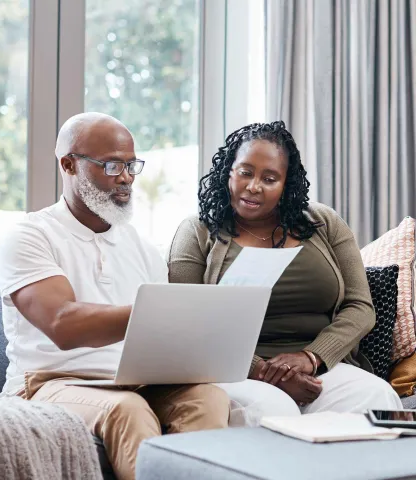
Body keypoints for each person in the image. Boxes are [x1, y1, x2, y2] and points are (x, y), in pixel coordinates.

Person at [0, 113, 230, 480]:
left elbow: (161, 339)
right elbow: (63, 323)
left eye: (131, 165)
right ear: (69, 164)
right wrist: (153, 312)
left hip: (133, 379)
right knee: (127, 410)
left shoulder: (142, 247)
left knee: (208, 397)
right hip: (51, 383)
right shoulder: (29, 235)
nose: (125, 178)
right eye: (111, 165)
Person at [168, 120, 402, 426]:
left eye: (270, 178)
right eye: (246, 172)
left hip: (320, 367)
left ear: (285, 184)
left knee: (377, 397)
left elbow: (360, 307)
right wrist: (265, 372)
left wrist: (310, 358)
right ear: (229, 171)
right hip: (235, 371)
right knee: (272, 412)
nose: (254, 186)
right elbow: (189, 320)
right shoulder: (197, 231)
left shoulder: (323, 222)